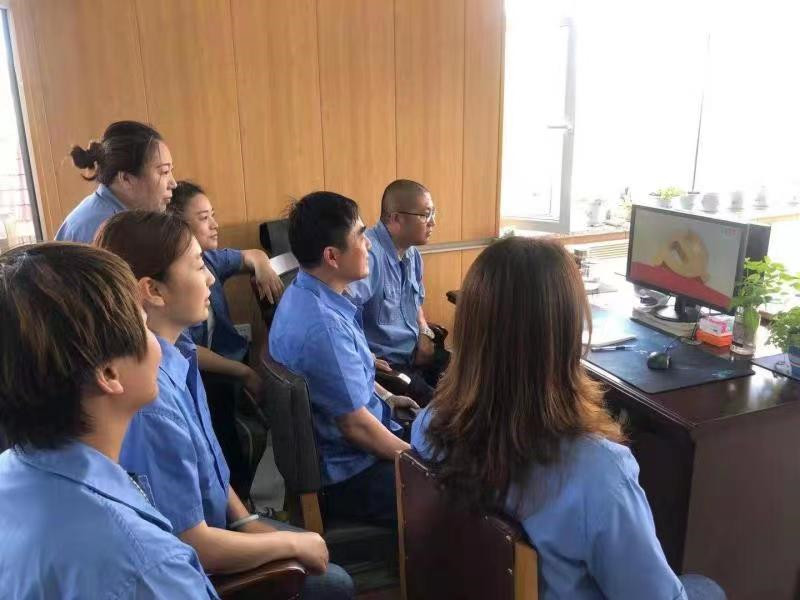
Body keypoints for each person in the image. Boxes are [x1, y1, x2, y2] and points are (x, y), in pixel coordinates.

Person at [411, 236, 726, 600]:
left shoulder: (429, 423)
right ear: (566, 334)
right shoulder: (599, 473)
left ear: (470, 328)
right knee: (707, 589)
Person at [96, 211, 353, 599]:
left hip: (217, 528)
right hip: (191, 564)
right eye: (199, 266)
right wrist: (291, 544)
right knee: (332, 582)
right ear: (153, 290)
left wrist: (247, 520)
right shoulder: (149, 399)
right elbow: (190, 544)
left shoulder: (181, 353)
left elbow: (210, 473)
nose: (211, 279)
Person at [0, 242, 217, 598]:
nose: (156, 342)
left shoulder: (11, 472)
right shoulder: (147, 566)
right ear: (109, 373)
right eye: (144, 324)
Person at [269, 191, 416, 525]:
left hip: (358, 447)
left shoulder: (307, 293)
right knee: (457, 495)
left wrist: (386, 396)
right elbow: (357, 427)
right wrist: (419, 467)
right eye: (361, 236)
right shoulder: (324, 327)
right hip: (352, 472)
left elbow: (344, 381)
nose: (369, 245)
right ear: (332, 256)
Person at [167, 180, 283, 496]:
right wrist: (244, 372)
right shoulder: (172, 278)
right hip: (204, 374)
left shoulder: (211, 259)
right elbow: (186, 349)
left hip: (229, 366)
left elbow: (252, 255)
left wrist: (262, 265)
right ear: (179, 227)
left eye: (213, 215)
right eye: (204, 218)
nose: (215, 225)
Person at [348, 179, 445, 405]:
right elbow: (342, 316)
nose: (433, 222)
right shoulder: (368, 256)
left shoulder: (413, 255)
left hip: (414, 353)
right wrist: (366, 358)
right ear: (396, 219)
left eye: (433, 214)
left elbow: (415, 302)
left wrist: (424, 332)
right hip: (386, 366)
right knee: (443, 408)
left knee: (468, 382)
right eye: (425, 215)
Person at [56, 120, 176, 242]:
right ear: (126, 179)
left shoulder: (113, 213)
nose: (173, 184)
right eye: (164, 172)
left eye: (171, 170)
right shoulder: (105, 231)